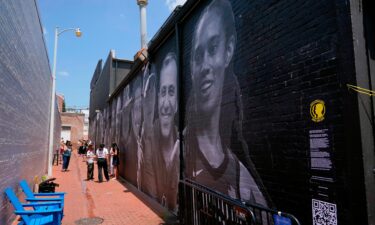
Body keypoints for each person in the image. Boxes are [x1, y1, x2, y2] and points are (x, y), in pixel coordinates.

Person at [186, 0, 269, 208]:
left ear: (228, 50)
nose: (204, 65)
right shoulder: (180, 149)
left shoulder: (243, 180)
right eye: (197, 55)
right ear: (191, 68)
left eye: (213, 48)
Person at [154, 52, 180, 211]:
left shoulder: (186, 147)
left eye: (171, 92)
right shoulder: (148, 144)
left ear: (177, 102)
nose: (165, 104)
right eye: (163, 92)